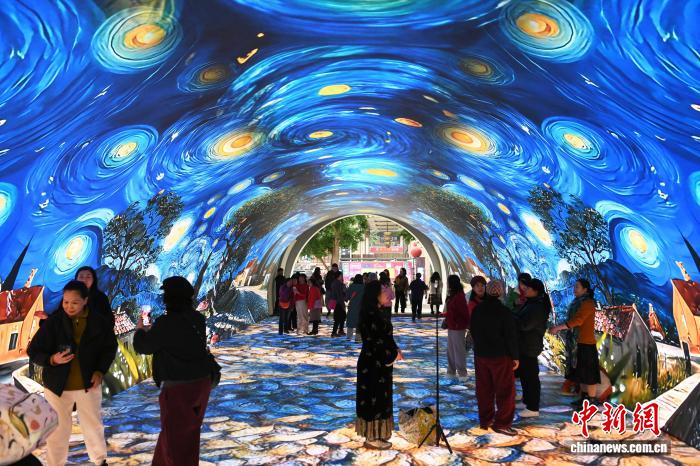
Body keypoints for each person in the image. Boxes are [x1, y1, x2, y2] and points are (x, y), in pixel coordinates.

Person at [28, 280, 117, 466]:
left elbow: (109, 348)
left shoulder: (98, 322)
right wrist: (52, 359)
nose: (69, 306)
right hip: (57, 387)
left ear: (85, 300)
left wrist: (100, 371)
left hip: (88, 385)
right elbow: (34, 350)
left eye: (74, 302)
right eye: (66, 302)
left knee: (93, 426)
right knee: (57, 431)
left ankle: (100, 461)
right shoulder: (54, 323)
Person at [133, 276, 212, 466]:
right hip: (201, 384)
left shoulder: (166, 322)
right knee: (190, 432)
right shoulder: (198, 319)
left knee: (174, 437)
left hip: (178, 388)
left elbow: (144, 346)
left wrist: (140, 330)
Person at [356, 281, 403, 450]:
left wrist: (395, 349)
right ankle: (372, 436)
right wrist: (392, 354)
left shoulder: (378, 312)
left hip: (379, 364)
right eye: (383, 290)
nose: (387, 293)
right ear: (375, 294)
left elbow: (386, 337)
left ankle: (378, 434)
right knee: (373, 397)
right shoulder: (370, 315)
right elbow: (375, 342)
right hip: (372, 363)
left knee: (381, 396)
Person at [470, 279, 519, 435]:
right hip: (500, 356)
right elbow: (511, 336)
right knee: (505, 390)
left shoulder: (478, 310)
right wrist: (515, 356)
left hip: (481, 355)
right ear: (501, 292)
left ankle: (486, 420)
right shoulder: (505, 312)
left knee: (484, 389)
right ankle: (502, 423)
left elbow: (473, 330)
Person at [549, 279, 600, 409]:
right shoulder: (577, 303)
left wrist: (558, 328)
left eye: (577, 287)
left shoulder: (588, 303)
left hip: (586, 343)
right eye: (574, 287)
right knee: (580, 373)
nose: (574, 289)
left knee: (589, 374)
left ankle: (591, 400)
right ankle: (584, 398)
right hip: (577, 343)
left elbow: (578, 320)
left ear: (585, 289)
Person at [514, 278, 549, 418]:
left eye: (528, 288)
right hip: (524, 345)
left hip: (530, 345)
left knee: (531, 377)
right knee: (525, 375)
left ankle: (533, 407)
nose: (525, 290)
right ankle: (527, 401)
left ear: (535, 291)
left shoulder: (537, 307)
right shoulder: (531, 303)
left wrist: (512, 319)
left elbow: (525, 325)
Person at [445, 275, 470, 381]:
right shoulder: (453, 295)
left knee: (458, 350)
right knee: (451, 350)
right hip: (452, 326)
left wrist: (466, 323)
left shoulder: (459, 296)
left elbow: (464, 312)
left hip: (458, 327)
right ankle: (451, 371)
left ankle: (462, 373)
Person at [346, 274, 365, 341]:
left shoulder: (351, 286)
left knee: (350, 321)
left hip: (352, 306)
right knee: (359, 322)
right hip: (361, 306)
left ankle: (349, 337)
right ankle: (358, 337)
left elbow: (347, 296)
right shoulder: (364, 287)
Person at [329, 272, 347, 337]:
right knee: (339, 317)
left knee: (342, 316)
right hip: (338, 302)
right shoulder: (338, 284)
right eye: (341, 275)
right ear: (339, 276)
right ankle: (334, 332)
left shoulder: (335, 283)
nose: (342, 277)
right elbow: (339, 294)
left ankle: (340, 330)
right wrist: (343, 300)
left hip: (337, 302)